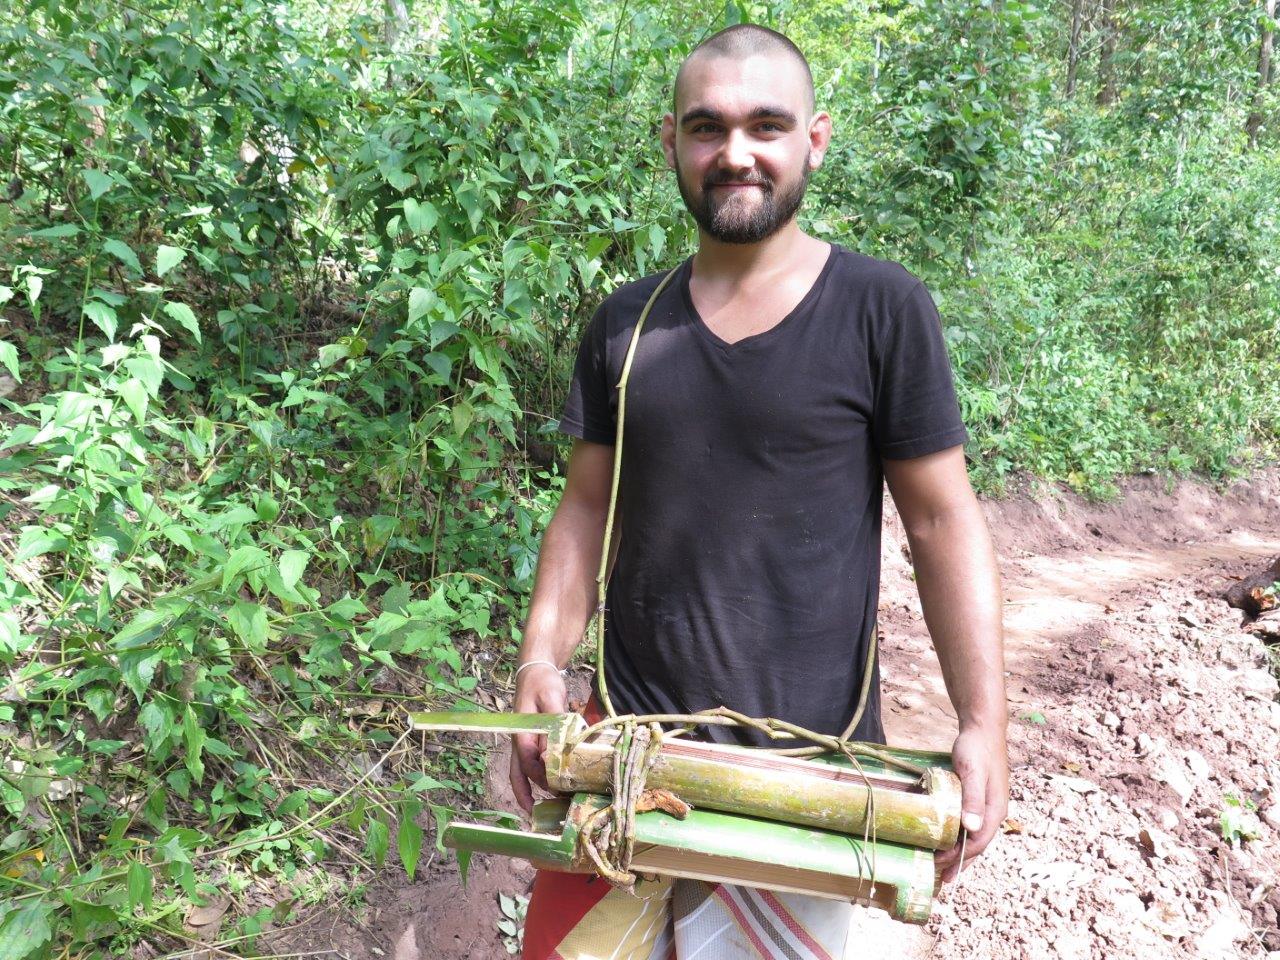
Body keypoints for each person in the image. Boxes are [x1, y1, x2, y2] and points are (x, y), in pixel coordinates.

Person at [508, 23, 1008, 960]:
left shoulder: (881, 310)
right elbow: (584, 509)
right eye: (708, 127)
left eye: (765, 126)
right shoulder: (626, 324)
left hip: (810, 783)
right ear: (672, 142)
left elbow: (942, 520)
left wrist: (983, 722)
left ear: (813, 140)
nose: (735, 153)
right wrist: (541, 660)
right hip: (625, 766)